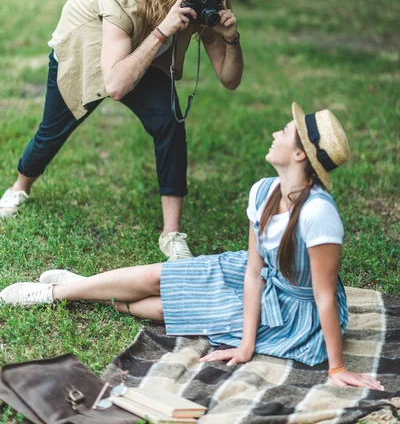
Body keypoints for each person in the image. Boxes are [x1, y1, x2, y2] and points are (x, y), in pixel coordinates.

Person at [0, 103, 384, 389]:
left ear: (300, 154)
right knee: (157, 275)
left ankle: (88, 290)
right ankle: (55, 292)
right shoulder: (263, 191)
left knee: (164, 309)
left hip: (295, 312)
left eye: (284, 132)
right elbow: (253, 272)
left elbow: (323, 297)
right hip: (257, 280)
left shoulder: (319, 215)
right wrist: (246, 344)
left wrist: (336, 369)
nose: (275, 135)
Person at [0, 0, 243, 260]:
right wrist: (164, 30)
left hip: (144, 62)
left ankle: (171, 234)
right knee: (52, 132)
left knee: (170, 121)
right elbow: (116, 84)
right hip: (85, 55)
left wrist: (230, 38)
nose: (204, 2)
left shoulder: (201, 10)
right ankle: (20, 187)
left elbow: (230, 79)